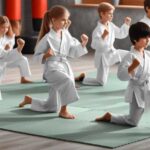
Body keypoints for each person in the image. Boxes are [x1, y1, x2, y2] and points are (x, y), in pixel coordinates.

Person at [19, 5, 88, 119]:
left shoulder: (65, 34)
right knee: (67, 81)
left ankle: (30, 100)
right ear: (53, 20)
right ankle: (64, 110)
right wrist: (46, 55)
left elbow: (72, 50)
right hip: (52, 69)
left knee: (51, 106)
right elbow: (35, 56)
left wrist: (83, 43)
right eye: (63, 20)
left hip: (64, 66)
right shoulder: (47, 37)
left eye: (67, 20)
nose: (65, 22)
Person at [95, 22, 150, 127]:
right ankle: (110, 117)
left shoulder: (147, 54)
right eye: (144, 37)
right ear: (135, 39)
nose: (148, 40)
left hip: (148, 88)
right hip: (137, 92)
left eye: (149, 37)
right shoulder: (130, 56)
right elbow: (121, 75)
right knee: (133, 122)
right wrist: (132, 67)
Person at [79, 2, 131, 86]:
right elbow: (94, 45)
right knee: (101, 82)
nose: (112, 16)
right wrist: (103, 37)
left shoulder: (110, 25)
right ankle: (82, 79)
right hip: (103, 57)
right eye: (110, 14)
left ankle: (129, 72)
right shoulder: (98, 29)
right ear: (102, 14)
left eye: (112, 14)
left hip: (112, 52)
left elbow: (121, 34)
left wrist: (126, 24)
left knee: (130, 55)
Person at [0, 16, 32, 83]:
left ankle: (23, 78)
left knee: (23, 59)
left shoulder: (10, 37)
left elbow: (12, 54)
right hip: (1, 61)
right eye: (2, 27)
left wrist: (20, 47)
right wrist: (5, 49)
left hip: (8, 58)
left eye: (7, 27)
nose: (5, 29)